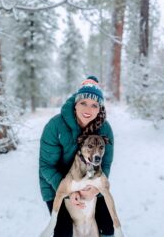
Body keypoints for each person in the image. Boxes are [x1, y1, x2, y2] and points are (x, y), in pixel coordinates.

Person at [39, 76, 115, 237]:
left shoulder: (105, 130)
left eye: (94, 105)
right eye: (83, 103)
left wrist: (95, 189)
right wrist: (69, 191)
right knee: (64, 231)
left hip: (89, 181)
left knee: (108, 227)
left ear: (99, 109)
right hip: (56, 184)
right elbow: (46, 166)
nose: (88, 109)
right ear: (75, 104)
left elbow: (106, 164)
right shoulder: (55, 126)